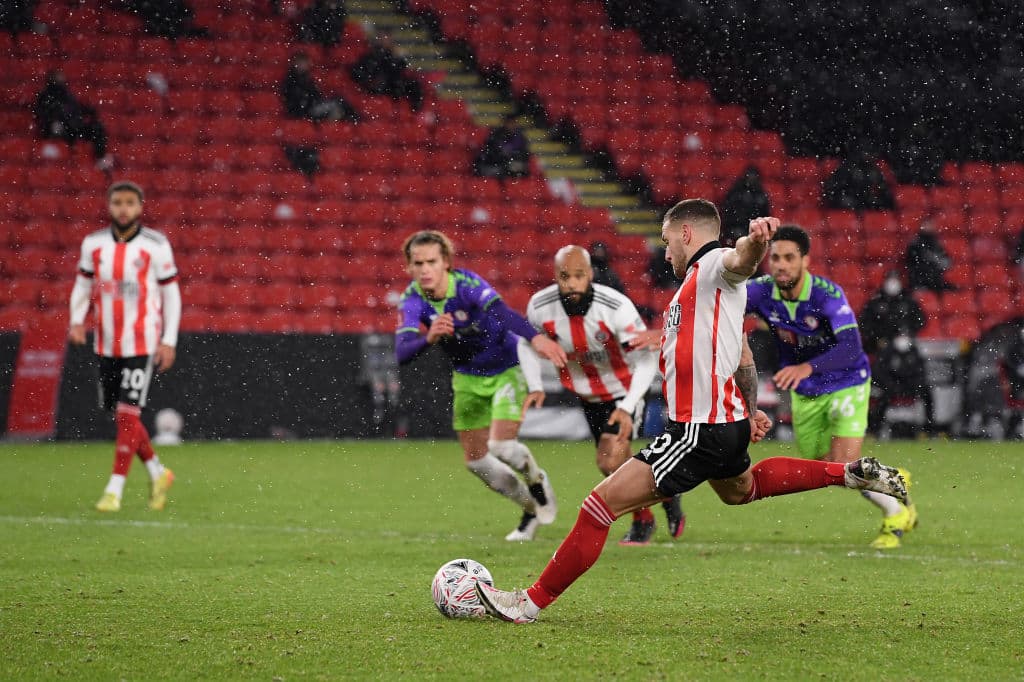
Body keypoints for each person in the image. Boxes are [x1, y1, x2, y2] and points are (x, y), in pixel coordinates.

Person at [475, 201, 909, 623]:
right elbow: (741, 356)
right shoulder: (701, 291)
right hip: (726, 424)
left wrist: (757, 242)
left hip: (697, 430)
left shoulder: (716, 264)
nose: (665, 253)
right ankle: (847, 473)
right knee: (741, 489)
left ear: (686, 233)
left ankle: (526, 604)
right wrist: (751, 408)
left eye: (667, 241)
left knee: (597, 507)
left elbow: (742, 257)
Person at [745, 225, 917, 549]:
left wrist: (807, 366)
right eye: (775, 258)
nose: (780, 265)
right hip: (805, 389)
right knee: (826, 467)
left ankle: (896, 515)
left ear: (805, 261)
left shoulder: (827, 295)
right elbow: (721, 307)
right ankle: (887, 477)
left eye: (789, 258)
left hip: (846, 383)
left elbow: (852, 347)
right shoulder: (761, 292)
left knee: (841, 466)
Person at [395, 230, 568, 541]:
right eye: (417, 263)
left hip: (505, 368)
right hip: (466, 376)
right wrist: (429, 337)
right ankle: (530, 510)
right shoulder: (412, 299)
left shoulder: (467, 285)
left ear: (445, 262)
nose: (425, 269)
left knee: (501, 446)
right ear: (409, 267)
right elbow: (402, 351)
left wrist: (536, 338)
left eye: (431, 261)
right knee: (475, 461)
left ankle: (536, 478)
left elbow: (501, 314)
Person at [518, 245, 683, 545]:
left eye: (578, 275)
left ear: (591, 275)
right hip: (587, 396)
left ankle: (642, 520)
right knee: (613, 463)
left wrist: (629, 405)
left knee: (610, 460)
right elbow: (527, 343)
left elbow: (646, 357)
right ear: (555, 277)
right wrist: (535, 384)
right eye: (564, 276)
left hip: (624, 390)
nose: (571, 283)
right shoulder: (540, 307)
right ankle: (667, 491)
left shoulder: (615, 308)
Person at [68, 181, 180, 513]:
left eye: (130, 203)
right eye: (118, 202)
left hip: (141, 341)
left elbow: (171, 295)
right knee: (123, 417)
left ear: (140, 207)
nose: (123, 209)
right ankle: (160, 473)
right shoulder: (94, 245)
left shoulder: (156, 246)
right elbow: (82, 284)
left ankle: (114, 490)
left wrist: (168, 340)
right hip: (106, 342)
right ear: (109, 205)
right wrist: (76, 320)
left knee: (128, 414)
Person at [33, 70, 111, 167]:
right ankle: (57, 155)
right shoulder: (45, 96)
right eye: (57, 78)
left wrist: (90, 112)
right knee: (56, 128)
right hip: (57, 127)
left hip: (73, 127)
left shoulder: (67, 95)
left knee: (97, 128)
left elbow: (76, 108)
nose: (60, 80)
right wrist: (53, 121)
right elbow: (42, 113)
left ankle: (100, 158)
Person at [869, 333, 935, 436]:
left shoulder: (913, 351)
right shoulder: (888, 352)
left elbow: (920, 372)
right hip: (891, 386)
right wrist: (891, 385)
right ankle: (875, 429)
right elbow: (879, 372)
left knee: (927, 395)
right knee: (881, 400)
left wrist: (915, 385)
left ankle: (928, 430)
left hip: (909, 385)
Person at [350, 33, 424, 111]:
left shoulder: (391, 55)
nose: (385, 40)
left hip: (389, 85)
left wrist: (399, 58)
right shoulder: (372, 54)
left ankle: (412, 110)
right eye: (383, 38)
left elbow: (401, 70)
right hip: (376, 85)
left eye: (387, 38)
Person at [280, 52, 360, 123]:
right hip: (304, 111)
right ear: (294, 63)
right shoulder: (292, 80)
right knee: (338, 103)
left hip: (310, 107)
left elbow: (314, 95)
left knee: (338, 104)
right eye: (300, 63)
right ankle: (354, 121)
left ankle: (350, 123)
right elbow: (296, 99)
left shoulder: (306, 78)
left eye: (304, 63)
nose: (303, 65)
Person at [859, 271, 926, 354]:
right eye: (890, 280)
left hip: (904, 343)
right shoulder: (875, 301)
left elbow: (920, 320)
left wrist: (907, 334)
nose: (893, 283)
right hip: (879, 345)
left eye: (895, 280)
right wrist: (878, 338)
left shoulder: (908, 301)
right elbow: (865, 323)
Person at [719, 166, 771, 247]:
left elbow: (765, 216)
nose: (751, 179)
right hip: (734, 228)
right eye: (750, 176)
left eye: (753, 177)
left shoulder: (761, 196)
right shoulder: (735, 192)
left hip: (752, 230)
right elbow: (727, 211)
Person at [905, 218, 954, 292]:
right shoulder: (915, 244)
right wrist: (934, 262)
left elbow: (947, 262)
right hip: (920, 281)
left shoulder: (936, 244)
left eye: (930, 225)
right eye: (926, 225)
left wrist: (936, 262)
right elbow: (914, 262)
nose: (929, 227)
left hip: (935, 280)